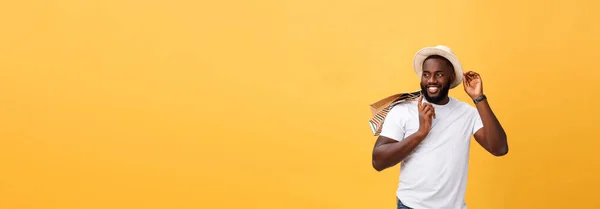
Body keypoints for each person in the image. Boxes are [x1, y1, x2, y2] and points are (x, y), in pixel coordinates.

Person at [371, 45, 509, 209]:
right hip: (411, 206)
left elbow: (499, 148)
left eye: (439, 74)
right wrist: (420, 133)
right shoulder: (403, 109)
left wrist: (479, 98)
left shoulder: (466, 113)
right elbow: (378, 161)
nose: (431, 80)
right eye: (426, 74)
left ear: (451, 78)